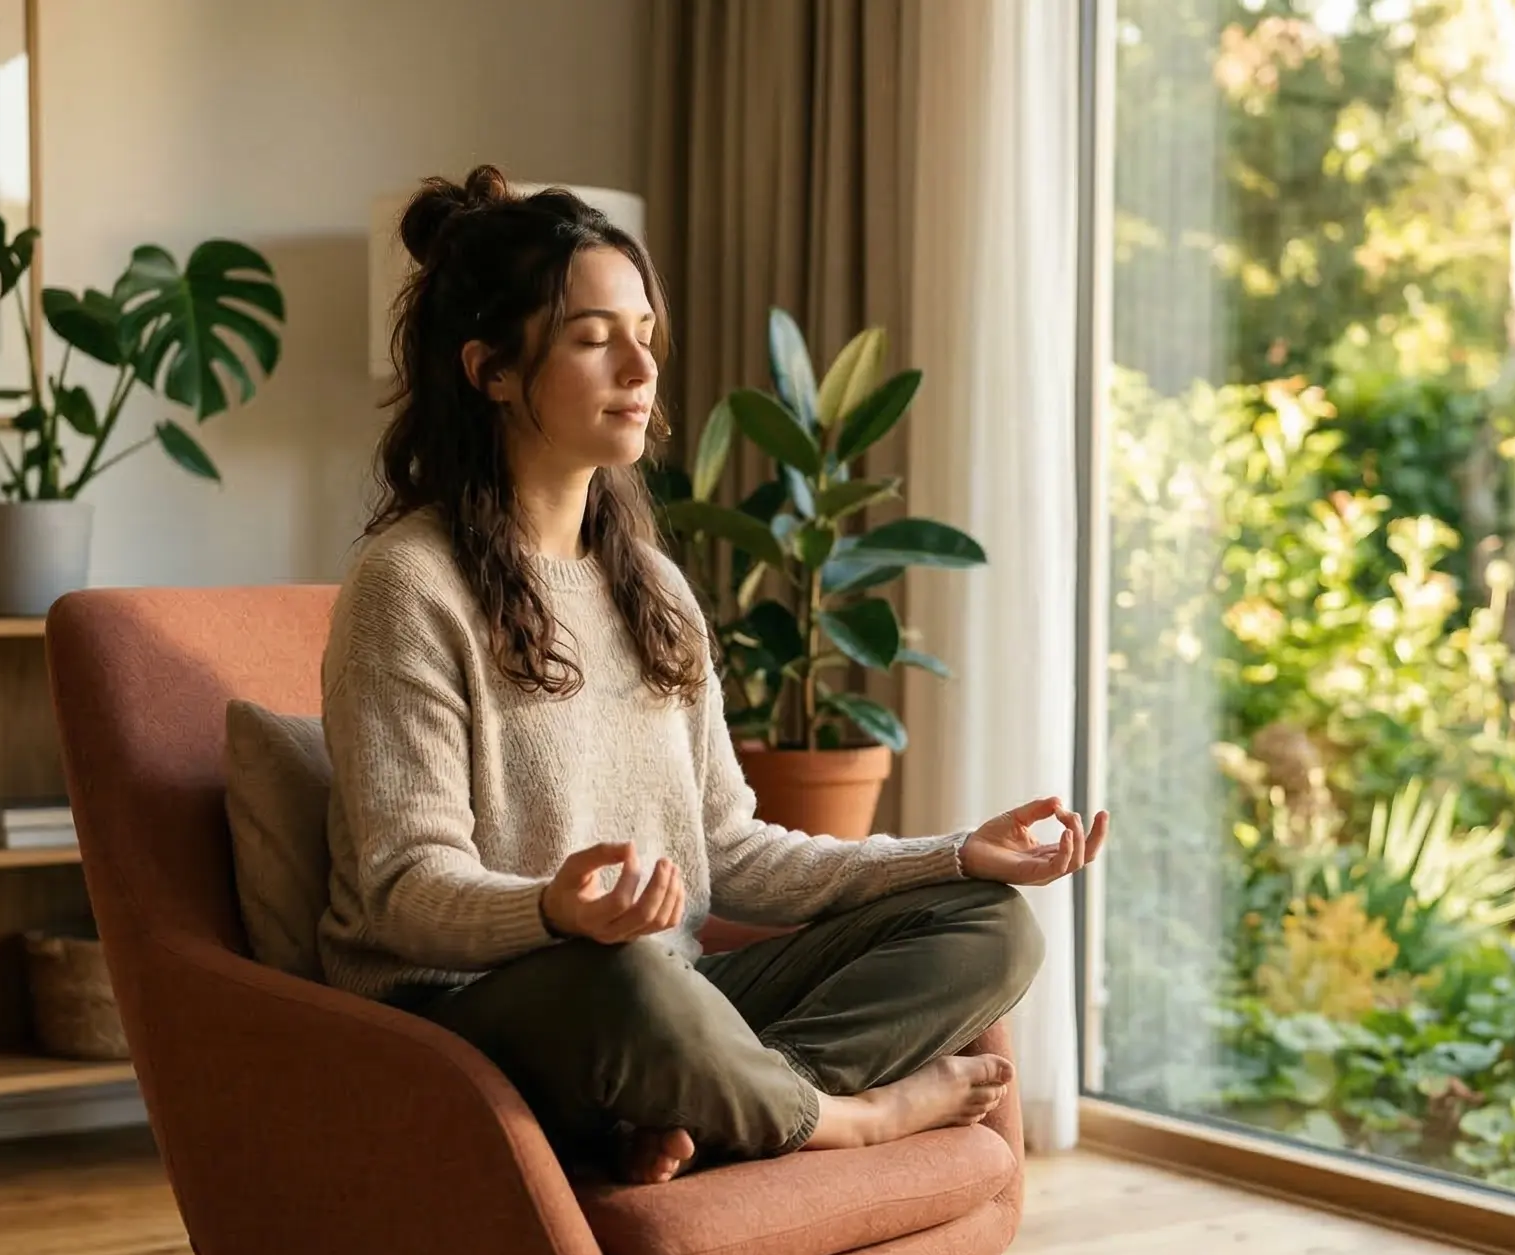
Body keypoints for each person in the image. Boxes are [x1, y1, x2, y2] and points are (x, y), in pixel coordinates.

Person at [319, 165, 1107, 1187]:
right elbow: (404, 892)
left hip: (665, 999)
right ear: (492, 372)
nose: (639, 367)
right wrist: (553, 911)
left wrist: (956, 855)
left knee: (989, 930)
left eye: (645, 334)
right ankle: (840, 1118)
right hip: (487, 1015)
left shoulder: (651, 587)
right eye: (593, 339)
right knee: (627, 981)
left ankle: (706, 1111)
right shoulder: (407, 585)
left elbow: (730, 852)